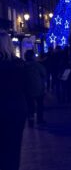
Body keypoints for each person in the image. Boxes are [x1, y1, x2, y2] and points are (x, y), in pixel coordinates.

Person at [0, 30, 27, 170]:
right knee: (14, 147)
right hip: (17, 109)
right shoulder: (19, 64)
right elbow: (25, 88)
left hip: (2, 109)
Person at [24, 50, 47, 126]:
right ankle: (40, 120)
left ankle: (31, 121)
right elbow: (44, 73)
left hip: (27, 89)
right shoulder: (37, 65)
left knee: (30, 106)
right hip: (38, 88)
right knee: (40, 105)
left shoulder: (23, 65)